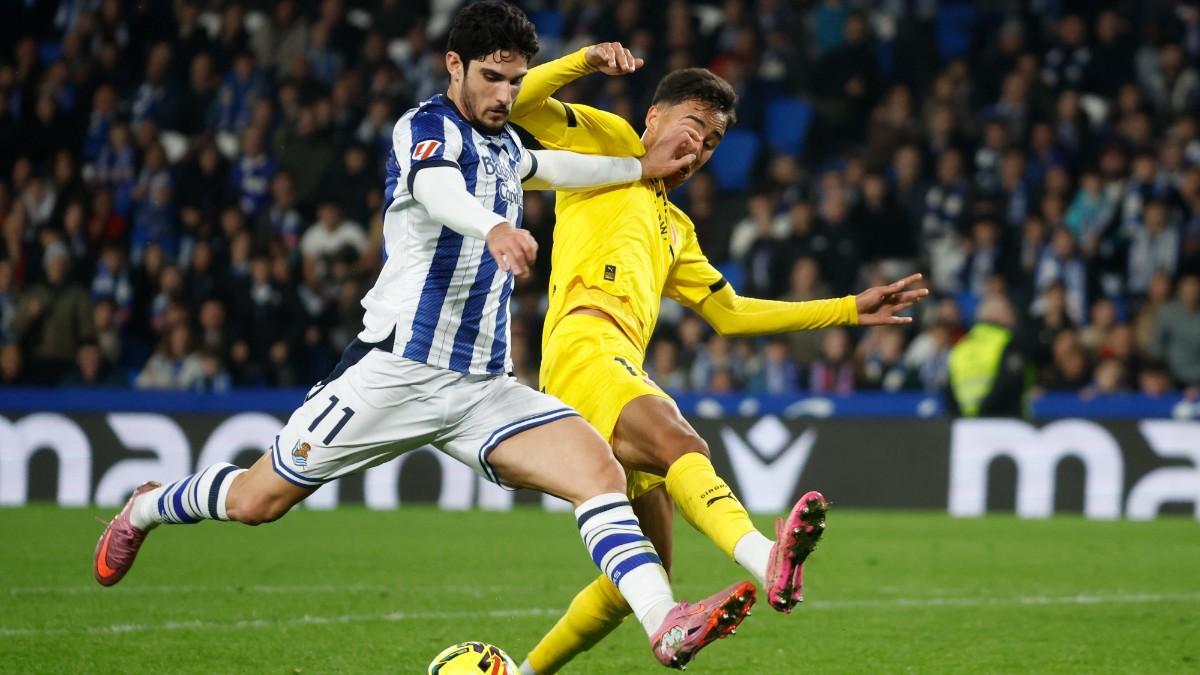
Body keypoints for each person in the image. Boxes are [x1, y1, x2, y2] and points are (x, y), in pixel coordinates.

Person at [93, 4, 752, 669]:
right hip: (395, 375)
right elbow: (439, 192)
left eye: (516, 81)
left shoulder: (504, 146)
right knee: (256, 500)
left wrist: (639, 169)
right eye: (493, 78)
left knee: (600, 471)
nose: (505, 96)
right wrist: (491, 227)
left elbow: (559, 171)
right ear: (455, 66)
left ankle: (664, 620)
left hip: (484, 388)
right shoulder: (424, 128)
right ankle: (149, 506)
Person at [508, 43, 928, 674]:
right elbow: (519, 100)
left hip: (620, 362)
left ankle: (523, 672)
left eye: (712, 143)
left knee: (645, 570)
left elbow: (731, 313)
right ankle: (766, 558)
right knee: (682, 443)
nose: (700, 150)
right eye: (693, 128)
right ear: (653, 118)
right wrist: (587, 61)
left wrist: (846, 309)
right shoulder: (610, 146)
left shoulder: (676, 226)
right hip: (583, 346)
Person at [945, 294, 1030, 418]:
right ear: (996, 314)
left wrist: (965, 419)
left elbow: (948, 390)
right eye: (1008, 309)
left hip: (967, 424)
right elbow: (1009, 383)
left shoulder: (960, 347)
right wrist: (983, 415)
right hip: (1003, 422)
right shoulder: (1008, 340)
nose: (1013, 315)